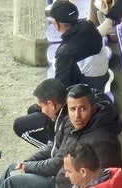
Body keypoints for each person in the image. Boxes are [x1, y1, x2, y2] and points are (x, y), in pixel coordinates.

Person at [13, 0, 110, 149]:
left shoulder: (65, 54)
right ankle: (52, 136)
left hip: (81, 101)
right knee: (34, 109)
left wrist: (45, 104)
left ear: (56, 25)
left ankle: (55, 149)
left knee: (20, 125)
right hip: (93, 89)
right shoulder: (89, 27)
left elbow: (59, 91)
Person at [0, 78, 71, 188]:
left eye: (41, 107)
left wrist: (28, 167)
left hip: (60, 181)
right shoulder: (61, 117)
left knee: (12, 182)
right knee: (13, 168)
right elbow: (52, 147)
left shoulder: (68, 122)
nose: (42, 111)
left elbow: (56, 163)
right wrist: (27, 163)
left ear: (51, 104)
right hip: (56, 172)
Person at [55, 83, 122, 187]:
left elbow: (100, 183)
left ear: (94, 109)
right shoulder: (72, 123)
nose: (77, 116)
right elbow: (58, 153)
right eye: (72, 109)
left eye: (83, 109)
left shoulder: (104, 142)